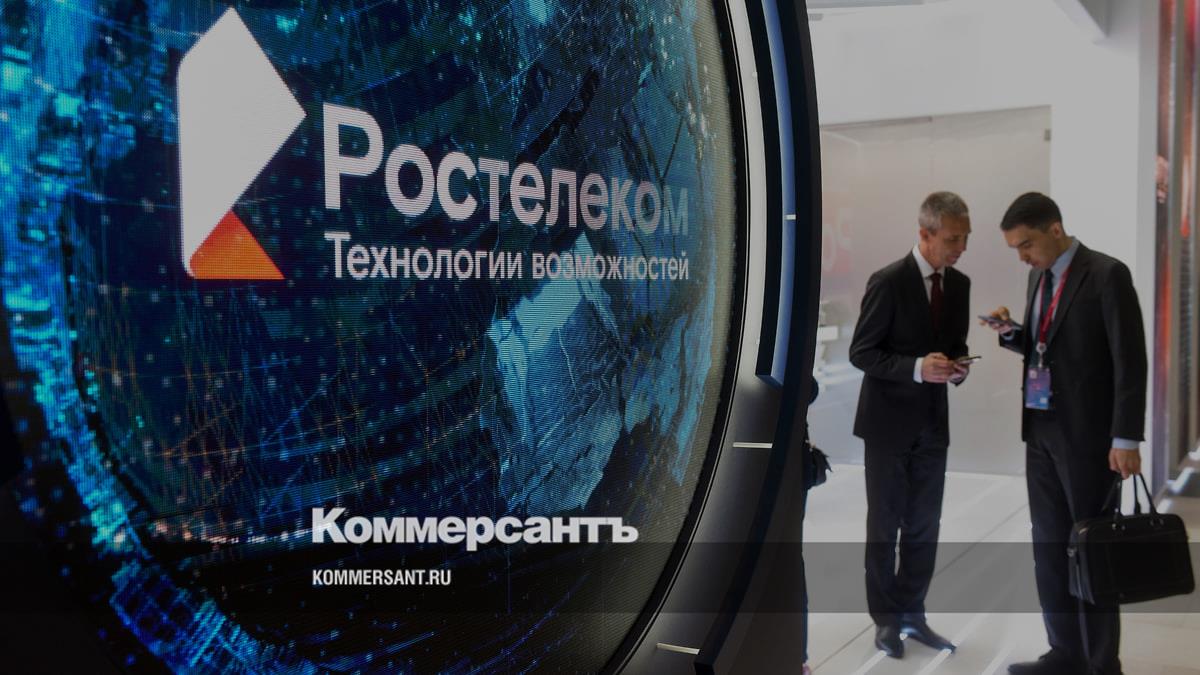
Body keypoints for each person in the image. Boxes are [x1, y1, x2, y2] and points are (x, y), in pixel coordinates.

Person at [982, 192, 1145, 675]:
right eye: (1015, 248)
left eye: (1026, 244)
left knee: (1090, 553)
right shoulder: (1039, 276)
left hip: (1089, 440)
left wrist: (1125, 438)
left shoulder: (1107, 274)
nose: (1022, 256)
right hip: (1041, 431)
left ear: (1055, 229)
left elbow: (1129, 359)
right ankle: (1064, 653)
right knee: (1049, 549)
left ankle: (1100, 664)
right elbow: (1045, 345)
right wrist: (1011, 332)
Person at [849, 191, 972, 658]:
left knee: (924, 525)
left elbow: (956, 346)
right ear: (925, 233)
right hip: (887, 426)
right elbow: (862, 352)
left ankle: (912, 612)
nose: (961, 247)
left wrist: (958, 367)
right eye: (953, 239)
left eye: (965, 238)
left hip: (933, 426)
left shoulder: (959, 285)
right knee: (884, 526)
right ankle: (885, 619)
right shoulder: (888, 281)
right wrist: (918, 367)